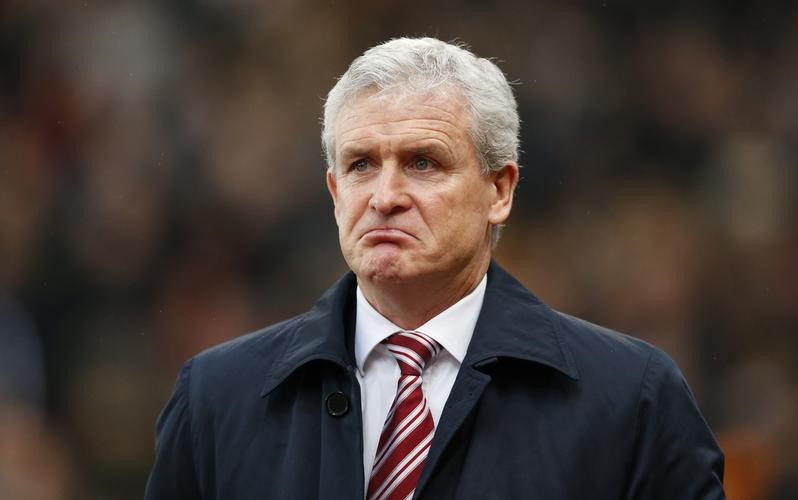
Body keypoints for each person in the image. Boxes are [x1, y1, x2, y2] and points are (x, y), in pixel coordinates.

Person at [145, 37, 725, 499]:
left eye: (423, 163)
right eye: (361, 165)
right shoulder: (216, 398)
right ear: (333, 191)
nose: (385, 195)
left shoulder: (631, 398)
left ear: (499, 189)